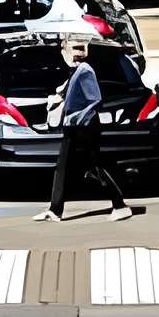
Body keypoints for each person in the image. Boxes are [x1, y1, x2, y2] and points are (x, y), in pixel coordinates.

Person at [37, 38, 136, 222]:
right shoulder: (75, 71)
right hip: (73, 127)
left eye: (81, 48)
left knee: (95, 167)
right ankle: (54, 210)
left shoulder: (85, 71)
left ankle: (120, 206)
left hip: (83, 128)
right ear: (63, 50)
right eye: (74, 48)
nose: (79, 52)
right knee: (62, 168)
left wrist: (76, 118)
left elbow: (95, 100)